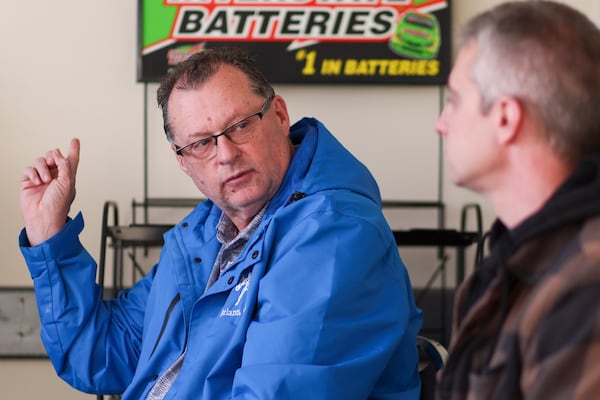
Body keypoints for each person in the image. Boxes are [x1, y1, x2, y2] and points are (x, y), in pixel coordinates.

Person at [19, 47, 422, 399]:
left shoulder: (333, 234)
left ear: (279, 115)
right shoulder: (204, 233)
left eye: (240, 126)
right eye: (200, 143)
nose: (225, 154)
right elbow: (101, 357)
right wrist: (49, 234)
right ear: (182, 160)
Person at [434, 1, 600, 399]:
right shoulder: (513, 261)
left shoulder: (585, 287)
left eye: (455, 101)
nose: (442, 124)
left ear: (506, 118)